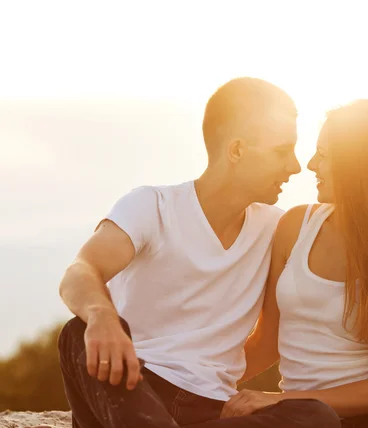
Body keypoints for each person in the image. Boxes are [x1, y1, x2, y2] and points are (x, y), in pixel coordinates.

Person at [56, 77, 341, 428]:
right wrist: (102, 316)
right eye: (282, 151)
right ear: (236, 150)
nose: (295, 166)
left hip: (213, 411)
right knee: (76, 331)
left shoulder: (278, 229)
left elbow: (269, 340)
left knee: (318, 418)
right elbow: (80, 270)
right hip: (133, 389)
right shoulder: (152, 206)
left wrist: (209, 371)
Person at [214, 99, 368, 428]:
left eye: (324, 155)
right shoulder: (296, 227)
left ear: (361, 166)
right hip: (306, 416)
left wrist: (278, 399)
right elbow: (266, 342)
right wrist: (196, 381)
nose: (311, 164)